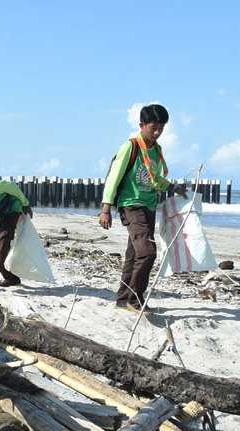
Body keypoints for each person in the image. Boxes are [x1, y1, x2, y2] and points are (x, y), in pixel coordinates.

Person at [99, 104, 185, 313]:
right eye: (153, 128)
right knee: (147, 252)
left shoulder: (156, 150)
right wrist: (105, 208)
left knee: (134, 254)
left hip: (149, 206)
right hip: (131, 204)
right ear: (142, 125)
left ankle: (122, 298)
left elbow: (154, 178)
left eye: (161, 129)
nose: (157, 133)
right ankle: (135, 299)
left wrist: (172, 187)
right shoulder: (131, 146)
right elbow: (114, 177)